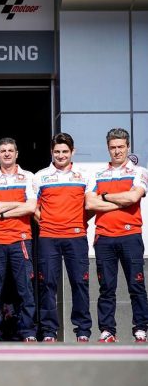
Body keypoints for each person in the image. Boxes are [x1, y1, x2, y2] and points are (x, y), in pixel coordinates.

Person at [85, 128, 148, 343]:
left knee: (136, 285)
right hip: (104, 237)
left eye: (121, 147)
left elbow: (133, 198)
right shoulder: (97, 174)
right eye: (113, 147)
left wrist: (104, 197)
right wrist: (119, 201)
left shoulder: (139, 171)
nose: (117, 151)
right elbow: (90, 203)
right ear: (108, 148)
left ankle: (141, 329)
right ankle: (107, 331)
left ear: (128, 147)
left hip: (131, 236)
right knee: (106, 288)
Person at [33, 133, 92, 343]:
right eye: (57, 151)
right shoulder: (40, 176)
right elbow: (33, 207)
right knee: (48, 284)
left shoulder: (83, 175)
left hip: (76, 237)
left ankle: (83, 330)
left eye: (65, 151)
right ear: (51, 152)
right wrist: (46, 222)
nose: (61, 155)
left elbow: (91, 205)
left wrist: (78, 222)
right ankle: (49, 332)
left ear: (72, 152)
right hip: (48, 238)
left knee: (80, 283)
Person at [0, 137, 37, 342]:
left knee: (25, 289)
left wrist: (3, 211)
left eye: (10, 150)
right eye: (3, 151)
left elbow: (31, 207)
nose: (7, 153)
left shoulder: (28, 177)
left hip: (21, 239)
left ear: (17, 154)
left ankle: (28, 332)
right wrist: (18, 204)